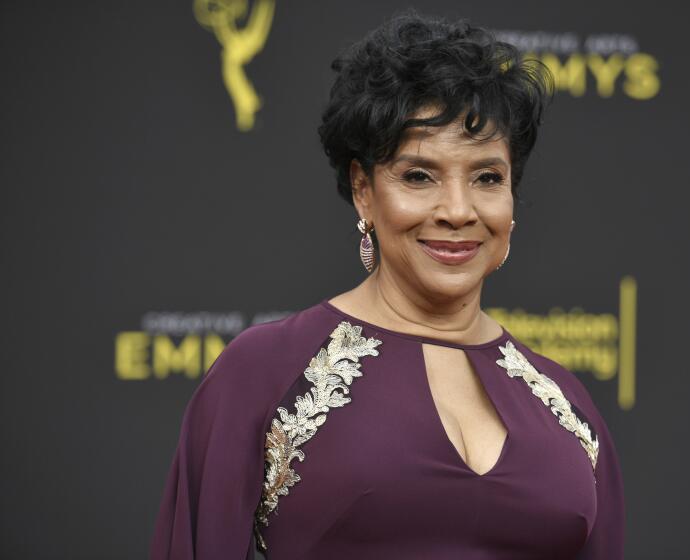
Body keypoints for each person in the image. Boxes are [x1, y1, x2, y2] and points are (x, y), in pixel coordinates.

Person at [150, 8, 624, 559]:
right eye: (419, 176)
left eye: (487, 178)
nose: (457, 210)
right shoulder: (264, 373)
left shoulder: (566, 405)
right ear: (363, 190)